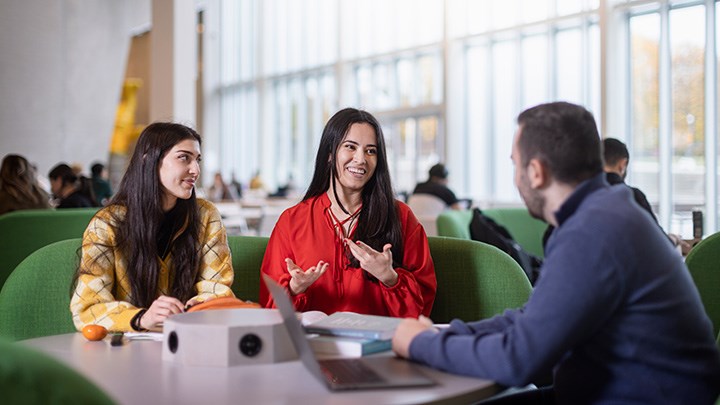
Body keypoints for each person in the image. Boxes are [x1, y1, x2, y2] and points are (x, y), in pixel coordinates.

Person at [392, 102, 720, 404]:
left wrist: (420, 344)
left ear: (536, 172)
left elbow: (518, 359)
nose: (516, 178)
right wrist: (446, 332)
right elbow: (532, 318)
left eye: (515, 165)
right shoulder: (605, 212)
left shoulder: (592, 231)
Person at [260, 108, 436, 318]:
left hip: (380, 346)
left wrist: (390, 278)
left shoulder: (401, 216)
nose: (361, 159)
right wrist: (295, 288)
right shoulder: (292, 221)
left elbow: (423, 307)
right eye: (350, 147)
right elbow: (269, 307)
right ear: (329, 154)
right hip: (312, 346)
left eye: (371, 151)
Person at [70, 122, 236, 332]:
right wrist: (140, 318)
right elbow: (87, 309)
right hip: (125, 351)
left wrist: (193, 309)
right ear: (149, 159)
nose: (195, 170)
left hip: (188, 340)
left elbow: (218, 288)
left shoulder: (206, 216)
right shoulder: (107, 224)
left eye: (197, 160)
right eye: (184, 157)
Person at [603, 137, 689, 251]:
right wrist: (674, 238)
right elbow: (661, 243)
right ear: (622, 164)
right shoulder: (631, 197)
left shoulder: (581, 196)